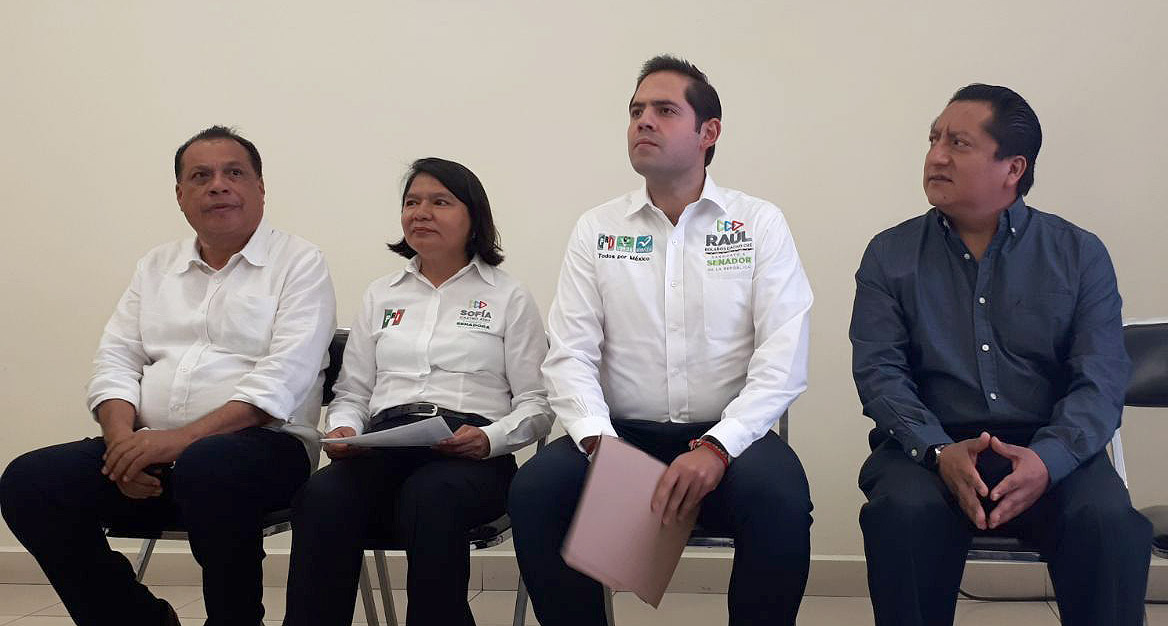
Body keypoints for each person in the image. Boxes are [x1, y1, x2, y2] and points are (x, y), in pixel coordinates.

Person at [509, 55, 815, 625]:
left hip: (732, 438)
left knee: (781, 501)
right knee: (536, 492)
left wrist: (718, 447)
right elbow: (570, 352)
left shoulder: (757, 224)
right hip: (617, 436)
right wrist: (599, 445)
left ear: (709, 132)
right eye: (636, 111)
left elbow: (783, 356)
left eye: (665, 110)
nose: (643, 121)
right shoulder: (597, 229)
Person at [0, 126, 337, 626]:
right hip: (152, 449)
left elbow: (282, 380)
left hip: (264, 450)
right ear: (181, 195)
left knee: (209, 464)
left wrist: (178, 442)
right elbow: (116, 360)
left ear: (260, 188)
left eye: (233, 173)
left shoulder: (300, 263)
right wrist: (122, 443)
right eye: (200, 176)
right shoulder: (156, 266)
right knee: (31, 481)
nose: (218, 185)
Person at [850, 84, 1152, 626]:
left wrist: (1047, 460)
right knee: (902, 513)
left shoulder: (1078, 254)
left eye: (958, 143)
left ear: (1013, 168)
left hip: (1050, 445)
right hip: (931, 449)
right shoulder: (890, 255)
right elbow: (879, 373)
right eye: (934, 139)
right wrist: (939, 451)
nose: (936, 156)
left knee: (1108, 522)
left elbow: (1101, 380)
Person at [282, 157, 552, 626]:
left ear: (474, 218)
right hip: (385, 443)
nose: (421, 213)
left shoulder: (508, 296)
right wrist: (344, 429)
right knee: (321, 495)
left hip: (471, 452)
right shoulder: (381, 294)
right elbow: (353, 392)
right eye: (412, 202)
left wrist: (489, 439)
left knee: (432, 496)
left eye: (440, 202)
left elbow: (536, 404)